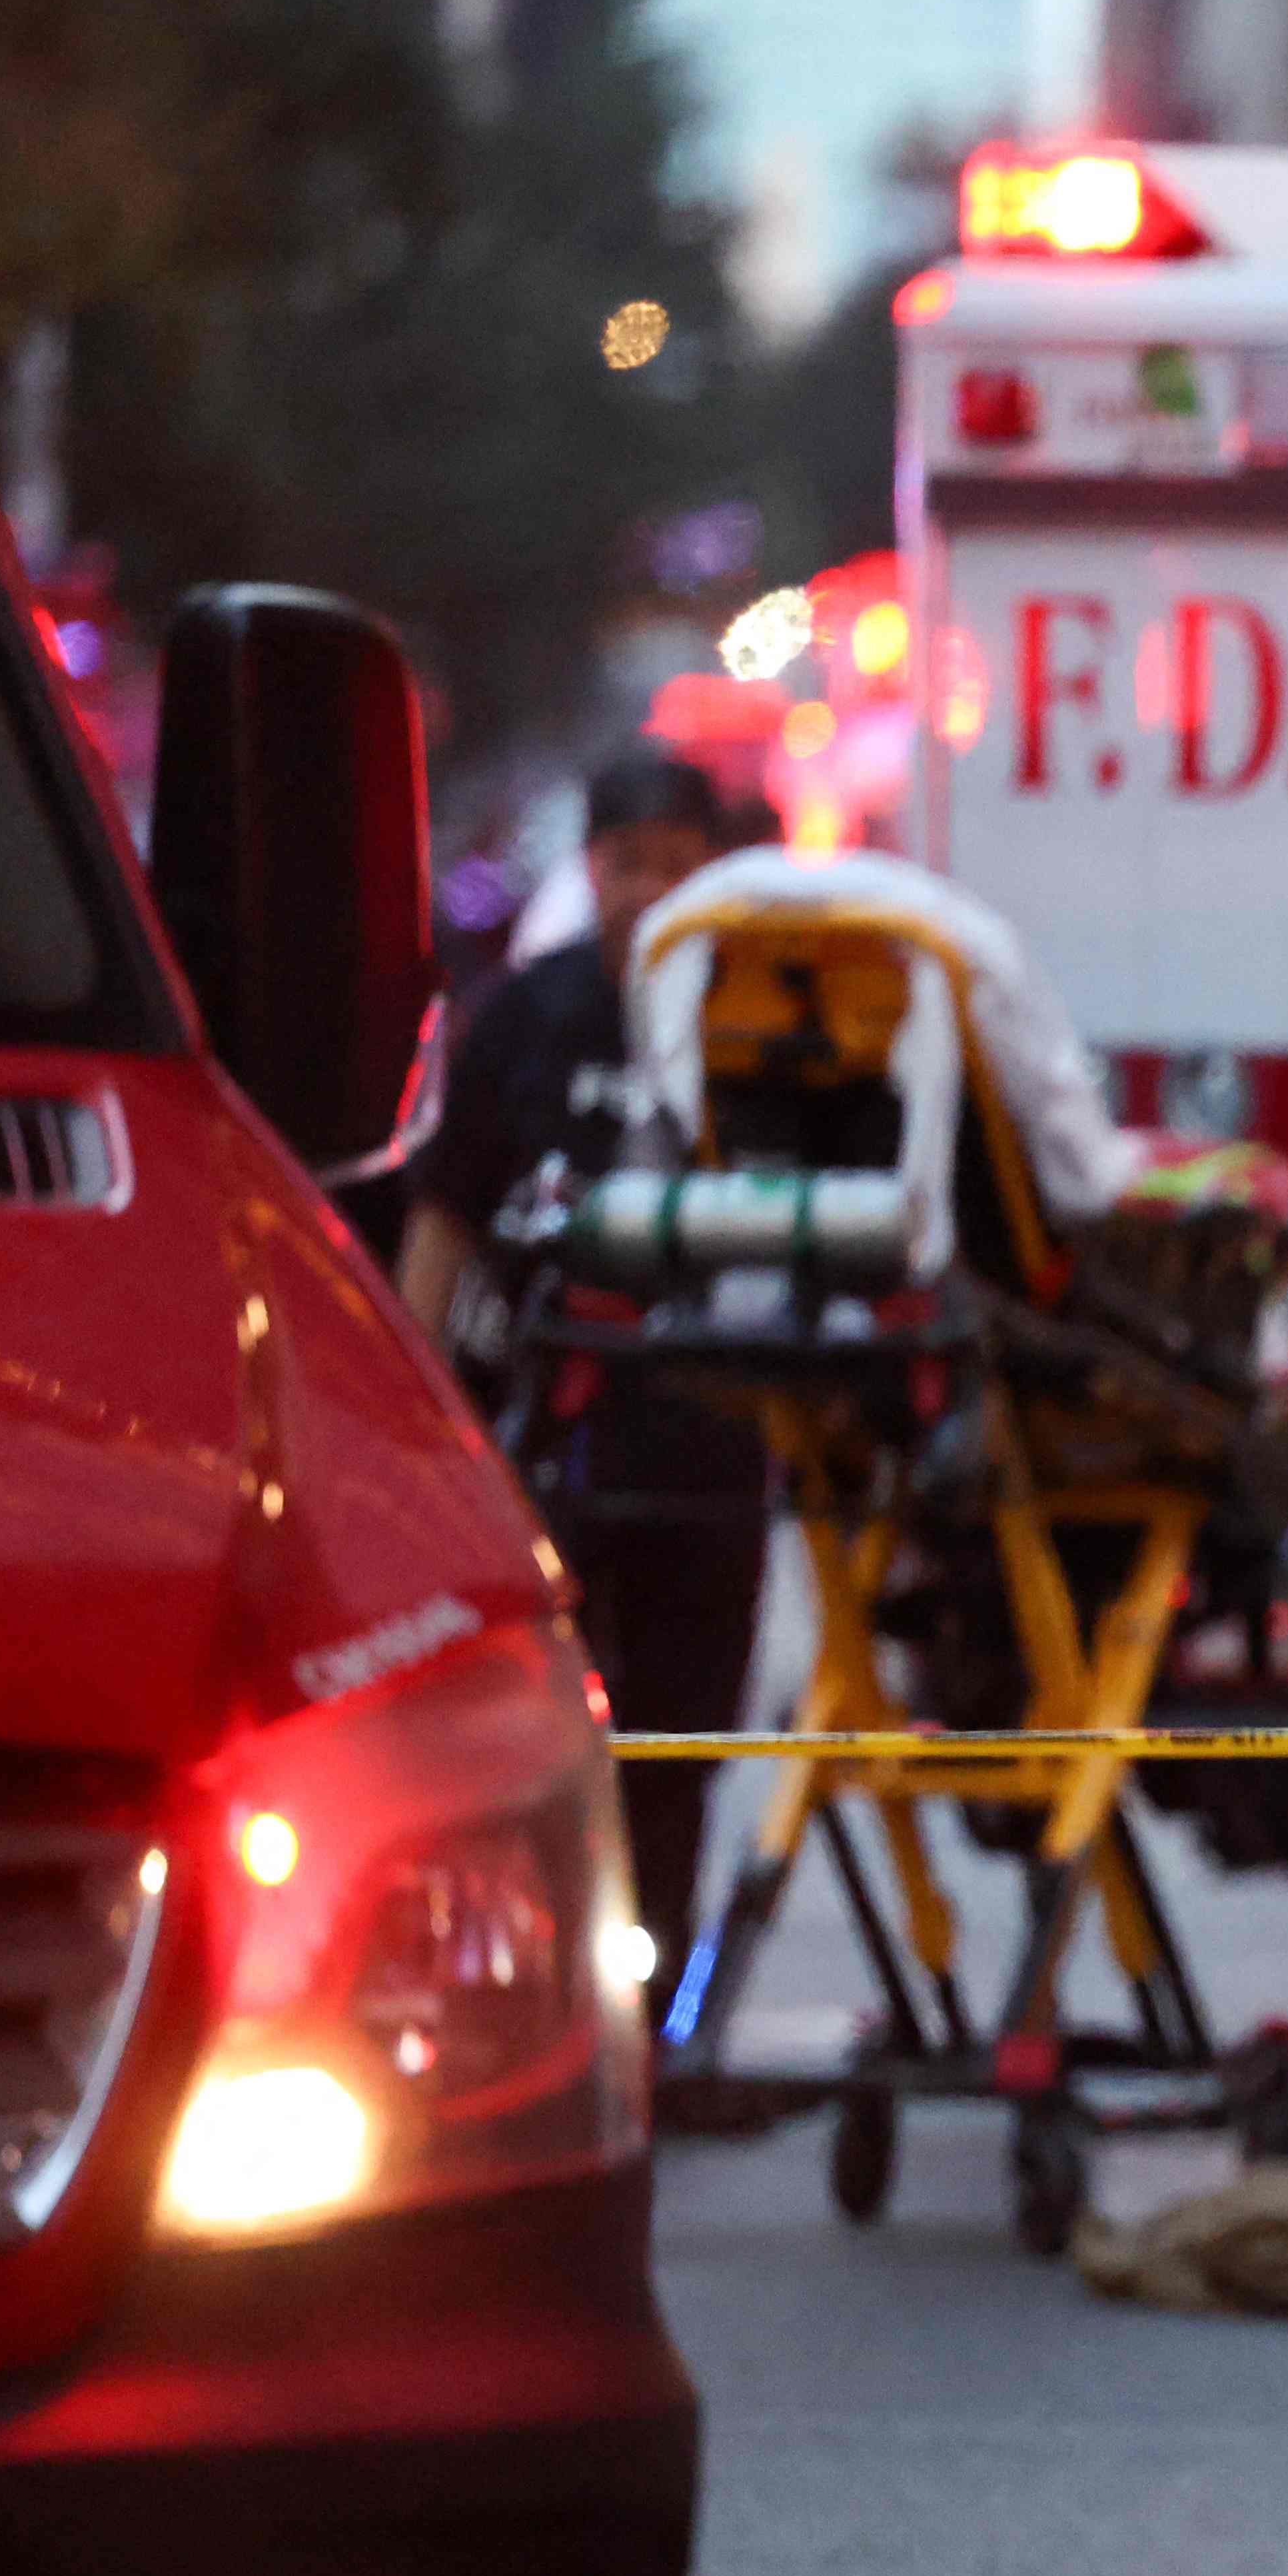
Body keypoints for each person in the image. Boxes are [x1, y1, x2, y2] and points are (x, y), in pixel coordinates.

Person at [396, 749, 762, 1978]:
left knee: (680, 1749)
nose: (648, 893)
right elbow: (444, 1218)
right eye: (625, 865)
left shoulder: (763, 1020)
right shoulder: (523, 1018)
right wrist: (413, 1409)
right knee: (537, 1742)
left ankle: (654, 2007)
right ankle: (540, 1990)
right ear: (589, 867)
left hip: (711, 1448)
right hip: (547, 1444)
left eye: (675, 867)